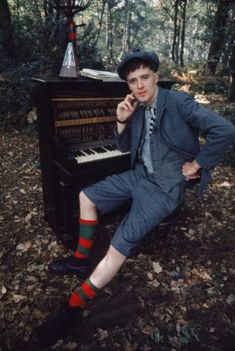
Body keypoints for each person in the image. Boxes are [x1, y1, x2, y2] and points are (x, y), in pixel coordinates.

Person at [31, 51, 235, 347]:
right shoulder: (136, 105)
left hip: (165, 186)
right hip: (139, 176)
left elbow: (226, 130)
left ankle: (73, 306)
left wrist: (197, 163)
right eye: (132, 81)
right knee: (86, 195)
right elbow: (125, 146)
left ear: (155, 76)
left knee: (118, 246)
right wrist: (121, 121)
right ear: (128, 85)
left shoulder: (177, 101)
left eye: (144, 78)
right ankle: (79, 260)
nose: (139, 86)